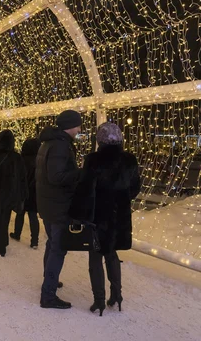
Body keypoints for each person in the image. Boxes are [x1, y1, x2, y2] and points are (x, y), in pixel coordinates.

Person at [78, 122, 141, 316]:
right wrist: (121, 199)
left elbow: (85, 189)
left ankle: (99, 301)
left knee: (95, 257)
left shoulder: (93, 160)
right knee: (112, 254)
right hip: (119, 215)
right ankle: (117, 296)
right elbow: (135, 187)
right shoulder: (130, 160)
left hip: (98, 216)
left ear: (100, 140)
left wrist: (79, 213)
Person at [37, 110, 84, 310]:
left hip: (48, 203)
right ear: (70, 126)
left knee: (52, 243)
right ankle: (48, 295)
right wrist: (79, 174)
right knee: (58, 247)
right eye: (78, 125)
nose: (80, 129)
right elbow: (56, 177)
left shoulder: (50, 142)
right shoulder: (60, 146)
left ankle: (50, 280)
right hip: (58, 205)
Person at [10, 138, 42, 249]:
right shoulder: (39, 161)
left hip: (23, 191)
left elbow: (17, 176)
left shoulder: (22, 159)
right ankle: (34, 241)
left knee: (20, 213)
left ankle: (17, 234)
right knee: (33, 216)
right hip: (34, 192)